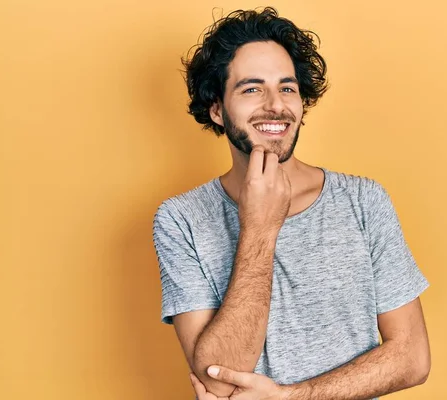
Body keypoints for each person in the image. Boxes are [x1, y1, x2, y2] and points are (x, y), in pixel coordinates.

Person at [152, 7, 431, 400]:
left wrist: (292, 397)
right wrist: (259, 227)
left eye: (287, 88)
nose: (275, 105)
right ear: (217, 109)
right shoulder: (181, 219)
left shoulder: (364, 201)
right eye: (251, 89)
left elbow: (412, 357)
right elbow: (219, 377)